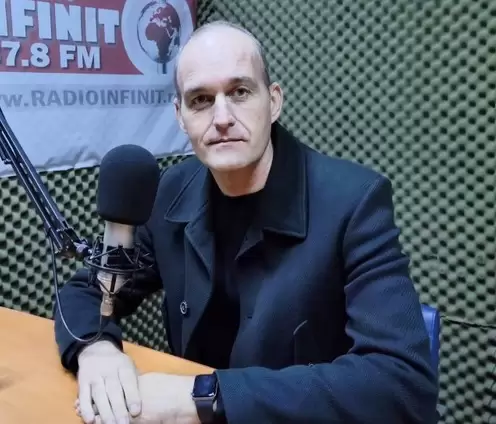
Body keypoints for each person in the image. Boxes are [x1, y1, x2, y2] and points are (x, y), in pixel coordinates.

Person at [54, 20, 439, 424]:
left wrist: (200, 398)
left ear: (274, 101)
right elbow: (86, 291)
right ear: (180, 116)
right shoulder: (171, 192)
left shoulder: (354, 202)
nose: (222, 117)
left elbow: (402, 383)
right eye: (201, 100)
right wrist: (95, 348)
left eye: (239, 92)